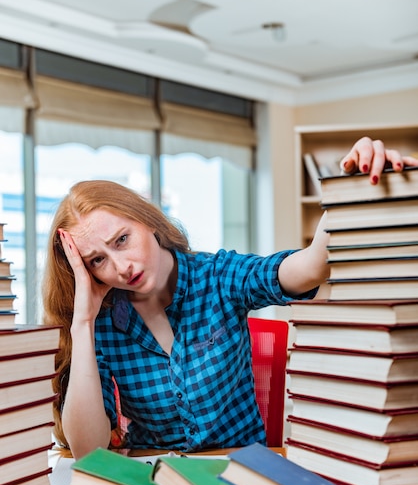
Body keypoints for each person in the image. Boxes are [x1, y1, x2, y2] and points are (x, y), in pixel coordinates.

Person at [42, 137, 416, 459]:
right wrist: (84, 324)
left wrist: (349, 192)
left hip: (241, 477)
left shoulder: (216, 276)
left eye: (121, 240)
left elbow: (308, 268)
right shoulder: (102, 319)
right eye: (97, 260)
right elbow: (89, 452)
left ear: (148, 221)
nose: (121, 267)